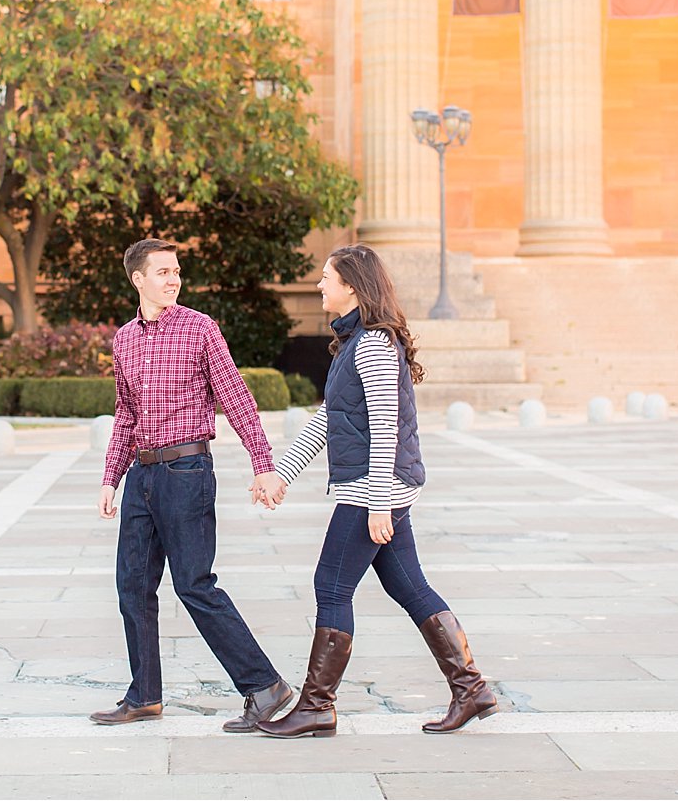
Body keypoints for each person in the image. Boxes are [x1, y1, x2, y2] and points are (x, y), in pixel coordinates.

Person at [256, 244, 497, 738]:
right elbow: (330, 418)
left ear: (351, 286)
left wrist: (379, 502)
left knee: (332, 585)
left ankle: (317, 706)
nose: (320, 284)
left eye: (327, 277)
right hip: (375, 485)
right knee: (408, 586)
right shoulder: (354, 344)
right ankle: (471, 688)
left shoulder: (373, 345)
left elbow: (385, 423)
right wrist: (284, 474)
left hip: (375, 487)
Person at [92, 238, 293, 732]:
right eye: (162, 272)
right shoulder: (123, 339)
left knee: (194, 585)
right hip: (141, 473)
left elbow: (236, 397)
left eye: (176, 271)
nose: (173, 279)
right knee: (133, 586)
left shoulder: (200, 329)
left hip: (186, 473)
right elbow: (125, 413)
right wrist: (111, 478)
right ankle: (144, 696)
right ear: (137, 279)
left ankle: (264, 686)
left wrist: (262, 463)